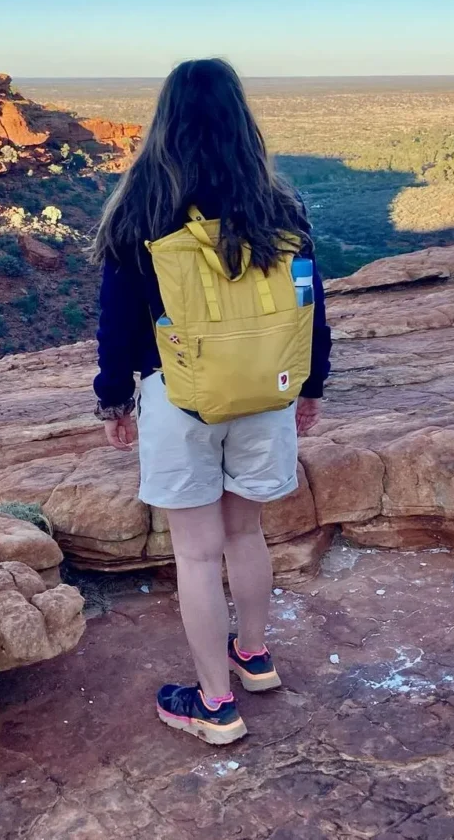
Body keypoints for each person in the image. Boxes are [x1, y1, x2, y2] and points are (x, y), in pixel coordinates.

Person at [90, 58, 331, 745]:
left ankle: (215, 705)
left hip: (179, 393)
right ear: (240, 118)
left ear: (165, 121)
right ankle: (253, 657)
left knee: (195, 554)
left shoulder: (140, 206)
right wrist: (310, 385)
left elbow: (117, 323)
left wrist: (114, 403)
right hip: (264, 389)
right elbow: (310, 307)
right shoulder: (278, 203)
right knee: (244, 532)